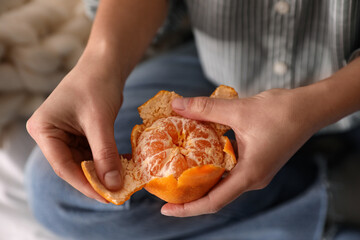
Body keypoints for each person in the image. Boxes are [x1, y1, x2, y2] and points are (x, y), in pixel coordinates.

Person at [25, 0, 360, 239]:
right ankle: (329, 196)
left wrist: (315, 108)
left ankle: (316, 204)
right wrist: (100, 66)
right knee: (53, 186)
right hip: (217, 74)